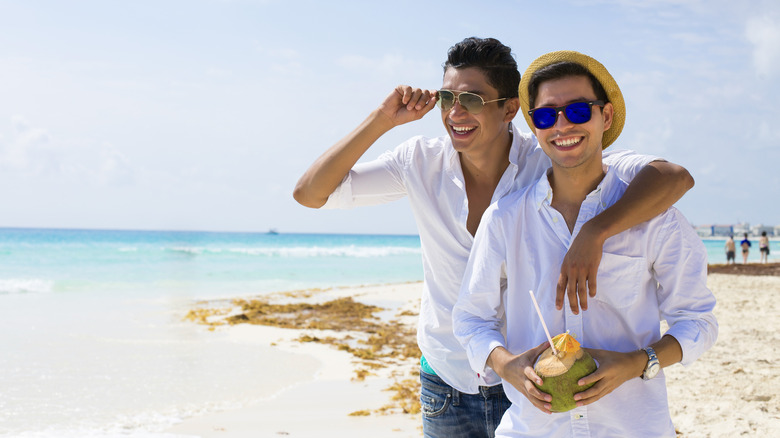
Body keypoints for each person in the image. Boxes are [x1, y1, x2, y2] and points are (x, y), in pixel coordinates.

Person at [293, 38, 694, 437]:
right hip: (448, 374)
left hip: (533, 376)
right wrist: (382, 119)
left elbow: (672, 177)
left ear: (510, 109)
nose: (455, 112)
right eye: (447, 98)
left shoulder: (551, 154)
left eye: (471, 100)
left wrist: (596, 231)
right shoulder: (419, 161)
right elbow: (310, 194)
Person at [453, 50, 717, 437]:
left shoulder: (656, 220)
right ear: (534, 125)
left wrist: (637, 362)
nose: (562, 125)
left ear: (605, 116)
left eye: (578, 110)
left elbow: (698, 321)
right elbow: (471, 318)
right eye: (546, 115)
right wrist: (506, 364)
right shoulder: (505, 219)